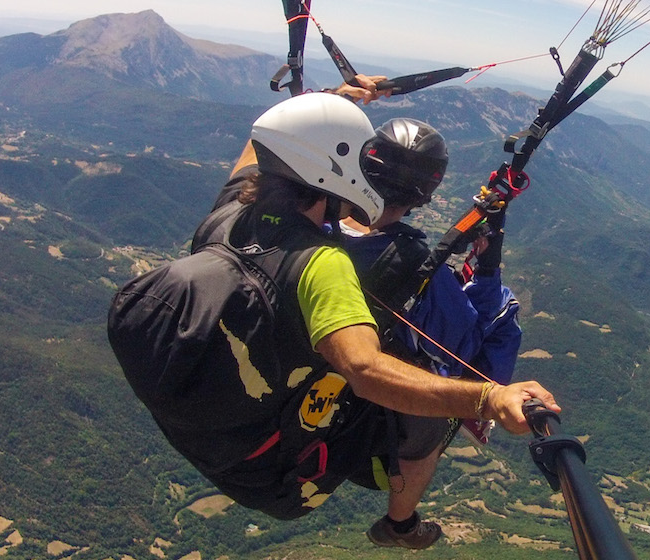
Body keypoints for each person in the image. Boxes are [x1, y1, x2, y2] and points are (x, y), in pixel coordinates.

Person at [189, 92, 558, 549]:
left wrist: (330, 99)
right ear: (426, 194)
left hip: (220, 376)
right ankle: (400, 524)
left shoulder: (239, 211)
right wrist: (487, 394)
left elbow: (260, 147)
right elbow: (458, 346)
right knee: (436, 417)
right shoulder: (386, 263)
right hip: (312, 403)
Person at [338, 117, 522, 445]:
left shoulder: (318, 222)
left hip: (342, 326)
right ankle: (474, 412)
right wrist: (488, 271)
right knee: (503, 308)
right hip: (392, 350)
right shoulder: (406, 255)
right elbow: (464, 339)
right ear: (424, 194)